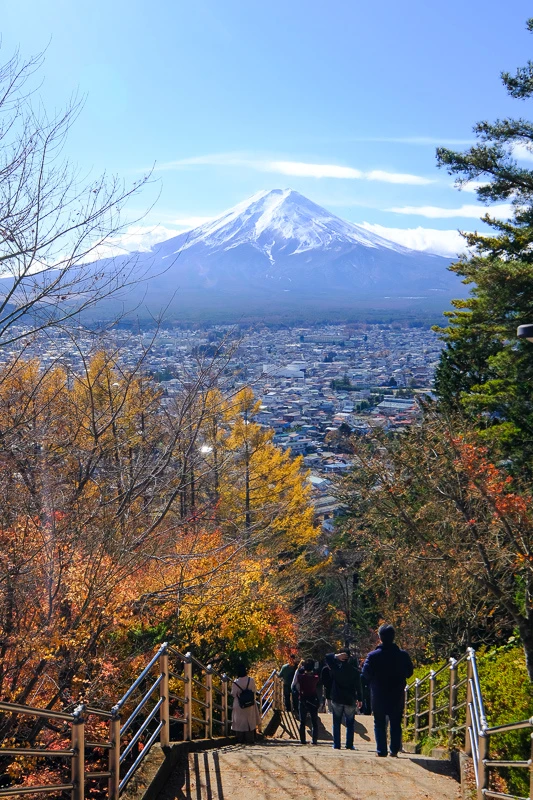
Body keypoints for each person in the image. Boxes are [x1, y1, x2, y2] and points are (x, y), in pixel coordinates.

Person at [362, 624, 414, 758]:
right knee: (396, 722)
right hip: (397, 693)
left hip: (378, 693)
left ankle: (381, 750)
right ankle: (394, 750)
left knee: (379, 722)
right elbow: (409, 672)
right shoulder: (403, 655)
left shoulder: (373, 656)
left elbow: (365, 673)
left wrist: (373, 679)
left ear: (380, 637)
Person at [325, 648, 362, 750]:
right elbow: (359, 686)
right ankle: (349, 744)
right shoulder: (355, 671)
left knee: (336, 722)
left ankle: (336, 744)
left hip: (337, 698)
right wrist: (360, 699)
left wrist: (335, 656)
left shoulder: (336, 668)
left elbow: (327, 657)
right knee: (350, 723)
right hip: (350, 699)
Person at [292, 658, 320, 745]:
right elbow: (316, 674)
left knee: (302, 721)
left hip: (303, 699)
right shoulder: (315, 678)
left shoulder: (301, 677)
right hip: (313, 700)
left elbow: (299, 674)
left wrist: (301, 668)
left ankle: (302, 740)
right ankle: (314, 740)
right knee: (314, 721)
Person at [231, 663, 261, 744]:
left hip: (239, 704)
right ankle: (250, 739)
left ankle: (240, 739)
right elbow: (254, 690)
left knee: (239, 722)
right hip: (249, 703)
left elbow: (233, 694)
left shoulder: (235, 682)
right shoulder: (251, 680)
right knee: (249, 722)